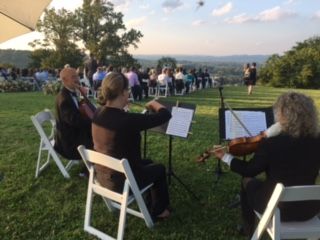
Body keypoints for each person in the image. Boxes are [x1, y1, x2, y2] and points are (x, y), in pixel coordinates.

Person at [213, 92, 320, 237]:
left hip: (276, 207)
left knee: (247, 181)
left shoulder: (271, 143)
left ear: (282, 114)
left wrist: (226, 157)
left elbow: (250, 170)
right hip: (309, 208)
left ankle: (248, 229)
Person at [92, 72, 172, 219]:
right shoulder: (127, 120)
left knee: (148, 162)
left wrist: (122, 108)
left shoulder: (98, 113)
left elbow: (117, 122)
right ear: (123, 92)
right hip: (122, 181)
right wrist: (155, 104)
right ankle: (159, 211)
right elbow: (165, 115)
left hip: (102, 176)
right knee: (159, 169)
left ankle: (151, 201)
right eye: (127, 90)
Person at [54, 67, 93, 161]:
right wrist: (94, 121)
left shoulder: (71, 92)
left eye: (77, 76)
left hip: (75, 132)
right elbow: (74, 121)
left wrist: (83, 96)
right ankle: (90, 169)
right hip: (70, 141)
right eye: (73, 77)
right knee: (98, 137)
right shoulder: (64, 99)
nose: (77, 79)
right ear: (64, 80)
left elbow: (81, 109)